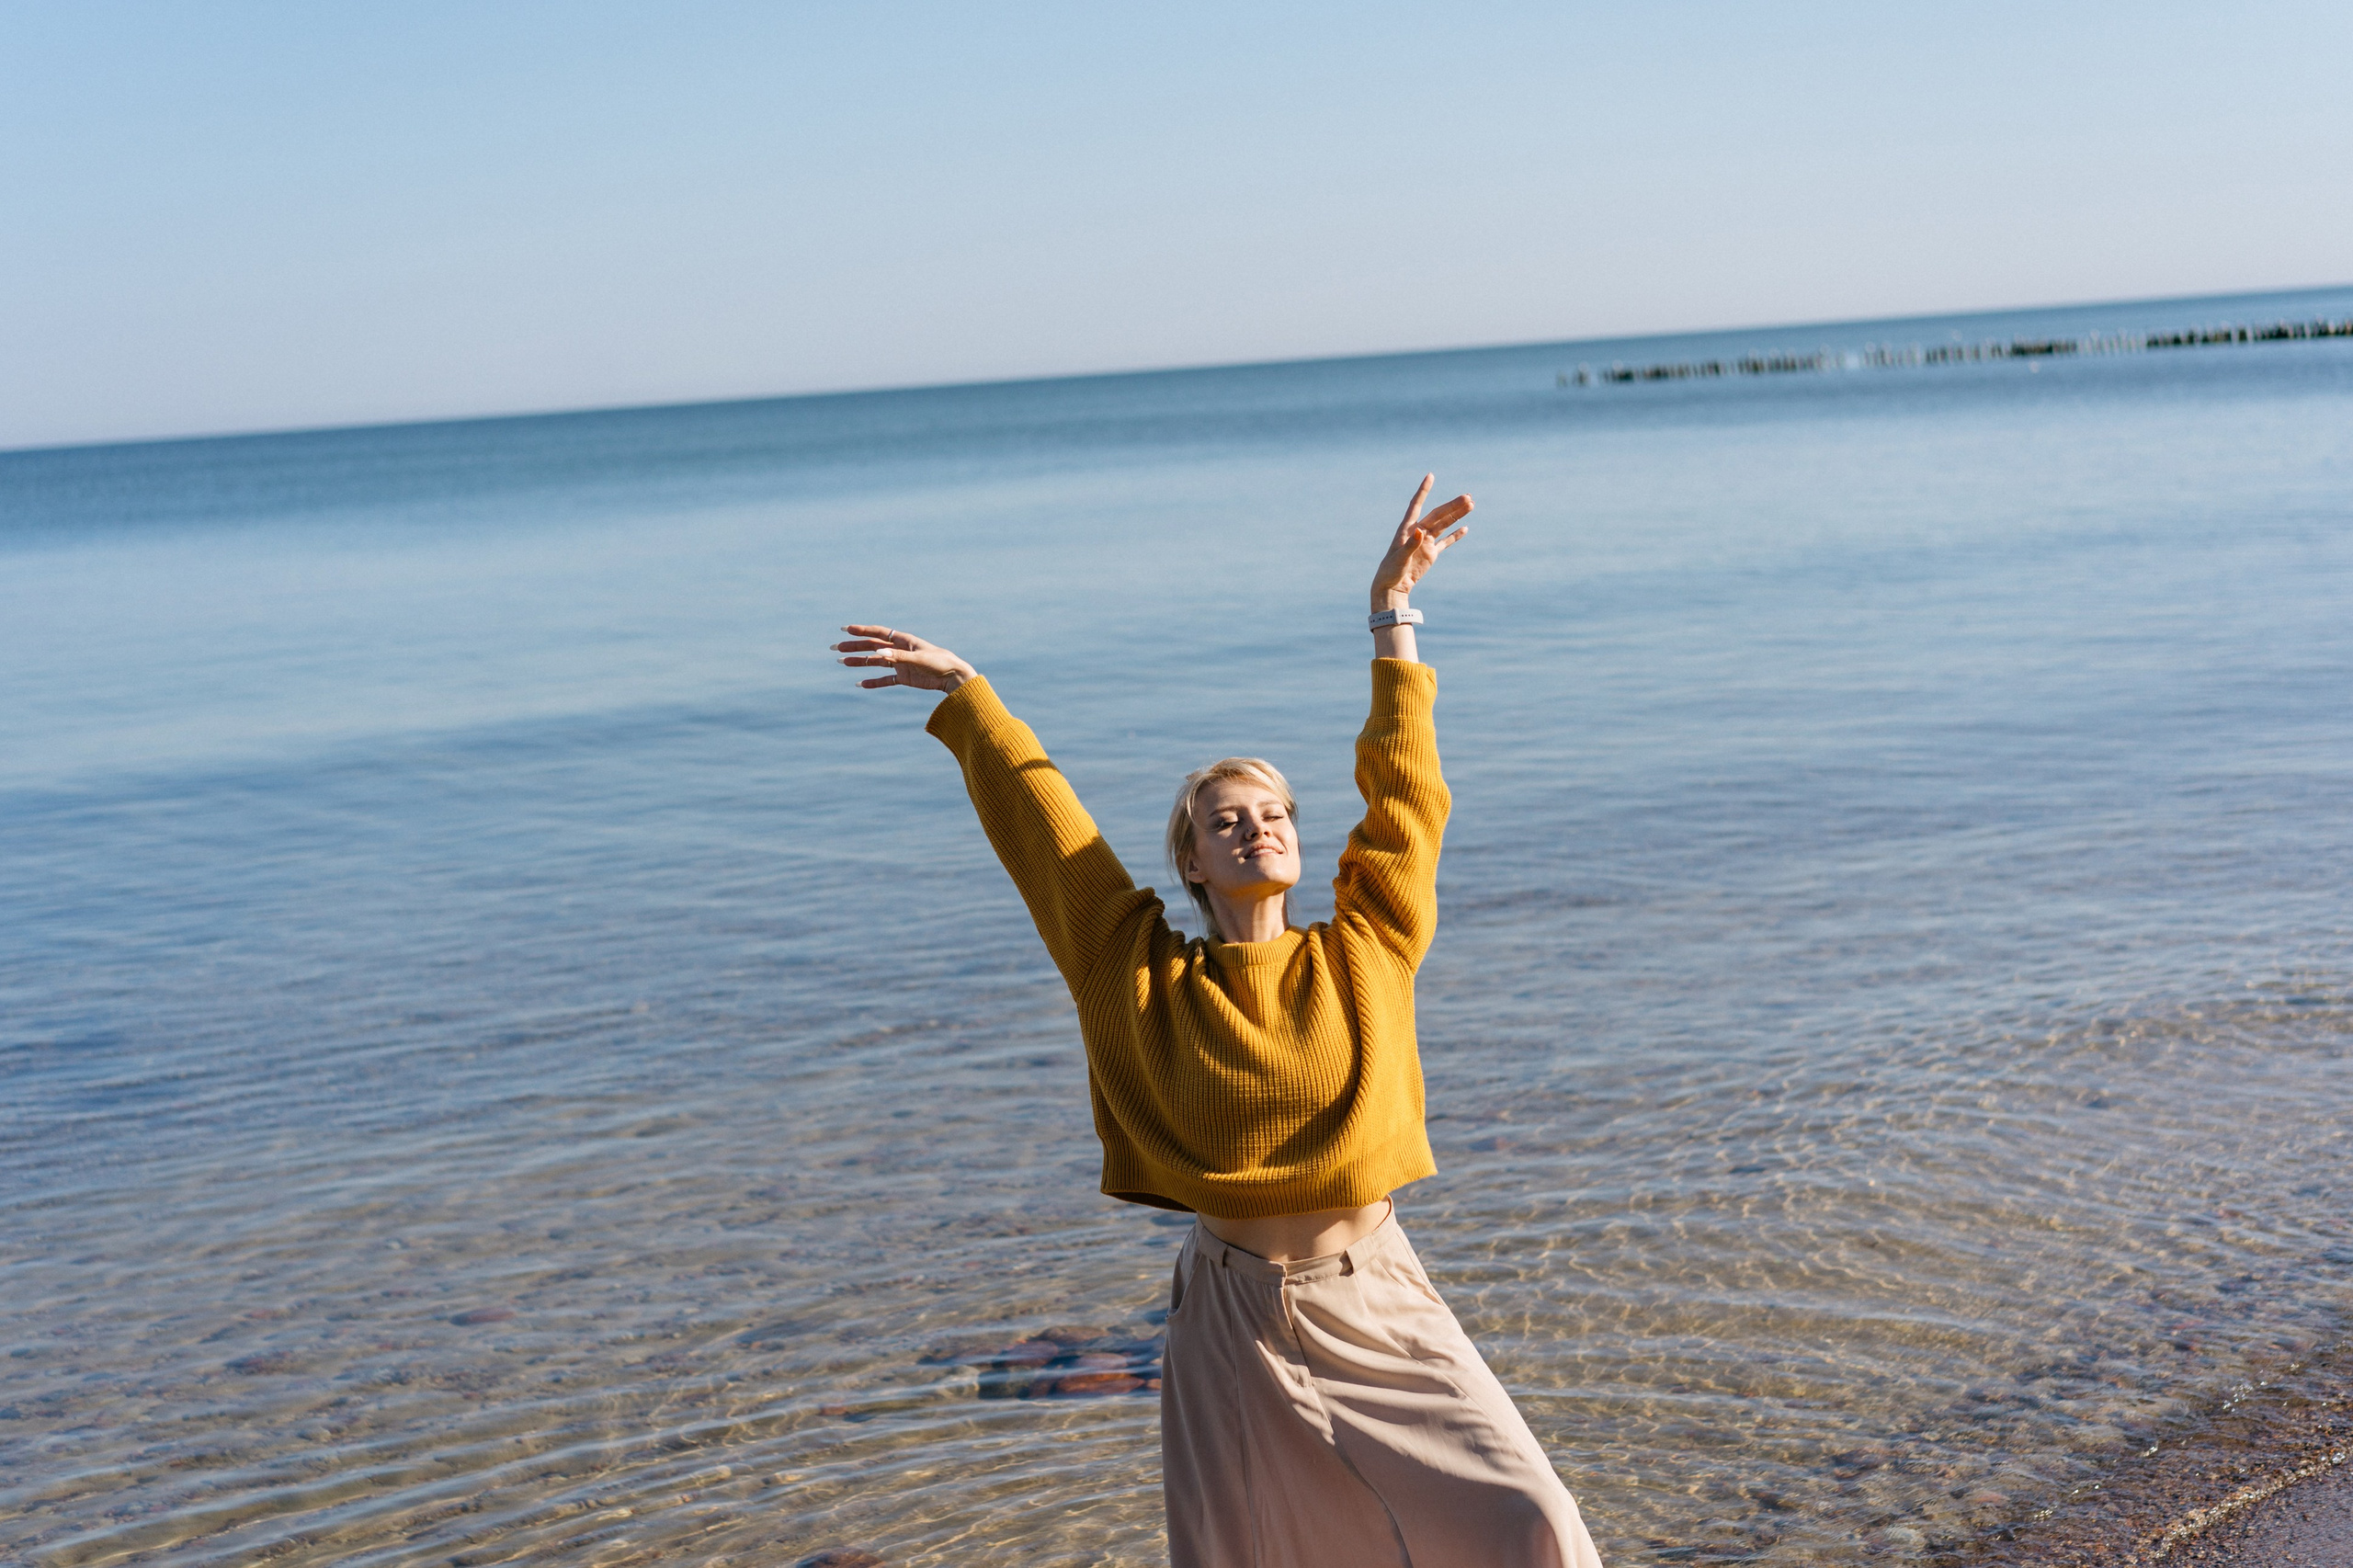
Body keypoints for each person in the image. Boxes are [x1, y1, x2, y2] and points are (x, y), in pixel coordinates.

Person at [835, 477, 1603, 1568]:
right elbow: (1050, 842)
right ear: (1189, 859)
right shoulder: (1135, 971)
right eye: (1225, 818)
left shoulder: (1366, 944)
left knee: (1530, 1525)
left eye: (1276, 813)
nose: (1257, 828)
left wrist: (1393, 619)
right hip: (1230, 1318)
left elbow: (1407, 797)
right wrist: (969, 697)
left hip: (1377, 1296)